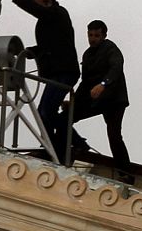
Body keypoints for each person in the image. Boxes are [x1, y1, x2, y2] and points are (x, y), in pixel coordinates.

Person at [1, 0, 79, 149]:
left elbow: (40, 13)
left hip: (64, 72)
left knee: (45, 112)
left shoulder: (58, 13)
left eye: (39, 5)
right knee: (44, 112)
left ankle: (60, 146)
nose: (37, 9)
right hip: (57, 72)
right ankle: (58, 145)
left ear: (49, 3)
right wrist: (26, 51)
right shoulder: (48, 21)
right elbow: (48, 46)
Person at [55, 20, 130, 182]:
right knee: (64, 118)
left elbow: (116, 69)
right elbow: (85, 82)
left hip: (113, 99)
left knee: (114, 134)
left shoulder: (111, 49)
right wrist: (74, 102)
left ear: (104, 35)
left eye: (96, 35)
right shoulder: (88, 55)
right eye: (90, 35)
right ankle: (68, 151)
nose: (93, 39)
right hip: (96, 99)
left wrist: (103, 85)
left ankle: (125, 172)